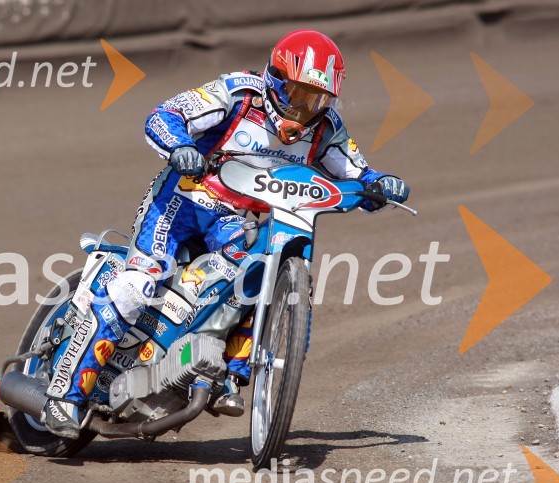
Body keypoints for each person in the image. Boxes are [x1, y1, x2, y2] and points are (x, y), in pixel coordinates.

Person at [42, 29, 410, 439]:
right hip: (181, 203)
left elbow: (355, 171)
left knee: (253, 277)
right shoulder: (236, 93)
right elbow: (163, 117)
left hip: (235, 221)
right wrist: (180, 146)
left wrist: (381, 184)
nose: (306, 108)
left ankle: (220, 371)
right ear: (275, 77)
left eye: (318, 99)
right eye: (299, 93)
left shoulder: (326, 128)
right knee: (135, 286)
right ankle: (64, 396)